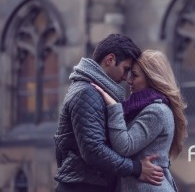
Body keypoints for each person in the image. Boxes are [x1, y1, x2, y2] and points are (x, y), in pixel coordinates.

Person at [54, 34, 164, 192]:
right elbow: (93, 150)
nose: (126, 78)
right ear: (110, 60)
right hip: (84, 186)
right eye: (126, 69)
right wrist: (136, 168)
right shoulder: (87, 91)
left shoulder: (93, 89)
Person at [92, 50, 188, 191]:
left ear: (152, 79)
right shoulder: (140, 109)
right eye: (129, 73)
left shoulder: (156, 111)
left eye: (135, 75)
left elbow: (125, 146)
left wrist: (114, 108)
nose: (129, 81)